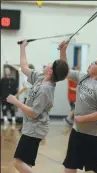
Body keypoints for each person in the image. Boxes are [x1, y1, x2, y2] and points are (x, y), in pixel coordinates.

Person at [6, 40, 69, 173]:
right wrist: (23, 47)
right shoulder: (41, 77)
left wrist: (16, 102)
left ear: (51, 71)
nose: (46, 64)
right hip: (31, 127)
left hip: (35, 129)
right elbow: (24, 67)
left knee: (18, 162)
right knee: (26, 163)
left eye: (49, 64)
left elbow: (34, 113)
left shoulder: (46, 89)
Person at [59, 41, 97, 173]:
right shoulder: (83, 77)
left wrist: (83, 118)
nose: (91, 63)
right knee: (69, 167)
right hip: (77, 133)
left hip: (96, 137)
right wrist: (63, 51)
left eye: (96, 63)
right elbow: (66, 71)